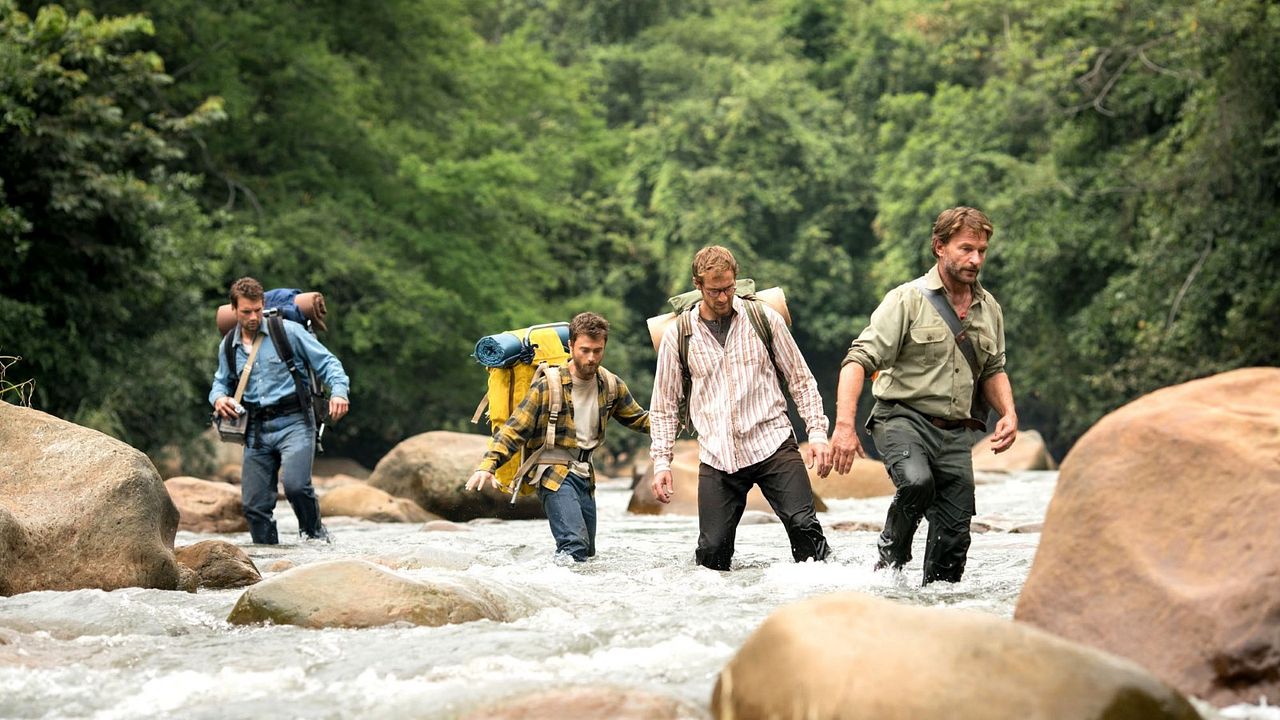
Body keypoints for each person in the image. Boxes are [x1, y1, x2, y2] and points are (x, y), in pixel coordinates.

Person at [830, 206, 1018, 585]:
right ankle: (890, 565)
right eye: (966, 248)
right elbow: (857, 361)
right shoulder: (906, 300)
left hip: (955, 434)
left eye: (981, 250)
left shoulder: (989, 308)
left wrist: (1009, 414)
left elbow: (993, 369)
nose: (975, 259)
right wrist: (844, 427)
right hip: (901, 420)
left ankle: (936, 604)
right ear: (939, 247)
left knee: (954, 539)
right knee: (916, 483)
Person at [649, 246, 833, 571]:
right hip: (718, 455)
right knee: (712, 552)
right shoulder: (679, 335)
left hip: (772, 442)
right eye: (714, 290)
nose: (723, 297)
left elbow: (800, 379)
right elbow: (663, 405)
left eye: (729, 288)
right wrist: (662, 462)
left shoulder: (764, 319)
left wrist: (817, 433)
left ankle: (823, 602)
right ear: (697, 285)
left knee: (804, 526)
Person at [466, 312, 650, 562]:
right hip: (553, 473)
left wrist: (683, 419)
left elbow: (639, 419)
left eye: (598, 350)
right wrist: (487, 465)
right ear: (571, 345)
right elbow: (514, 429)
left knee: (588, 553)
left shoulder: (610, 384)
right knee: (573, 546)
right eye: (585, 350)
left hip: (586, 474)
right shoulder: (547, 385)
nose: (591, 358)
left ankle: (573, 597)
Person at [209, 277, 350, 544]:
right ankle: (269, 561)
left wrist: (339, 392)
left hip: (295, 422)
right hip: (256, 431)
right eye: (246, 311)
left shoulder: (287, 332)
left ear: (263, 305)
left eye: (258, 310)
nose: (253, 317)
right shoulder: (228, 345)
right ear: (234, 310)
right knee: (254, 507)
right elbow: (220, 382)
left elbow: (329, 364)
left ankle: (315, 537)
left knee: (296, 486)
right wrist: (218, 399)